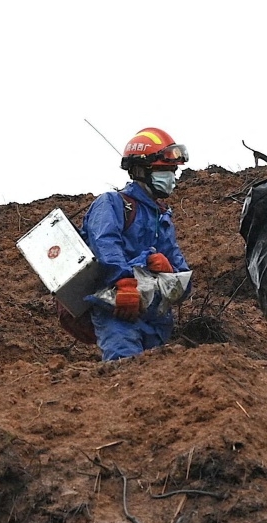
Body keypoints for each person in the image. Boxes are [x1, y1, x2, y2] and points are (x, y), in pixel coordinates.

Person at [81, 127, 191, 361]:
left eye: (173, 170)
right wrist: (124, 281)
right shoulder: (111, 204)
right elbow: (105, 243)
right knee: (125, 375)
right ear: (141, 170)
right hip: (119, 313)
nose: (172, 177)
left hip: (157, 322)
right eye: (164, 170)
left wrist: (170, 271)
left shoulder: (162, 218)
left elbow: (183, 277)